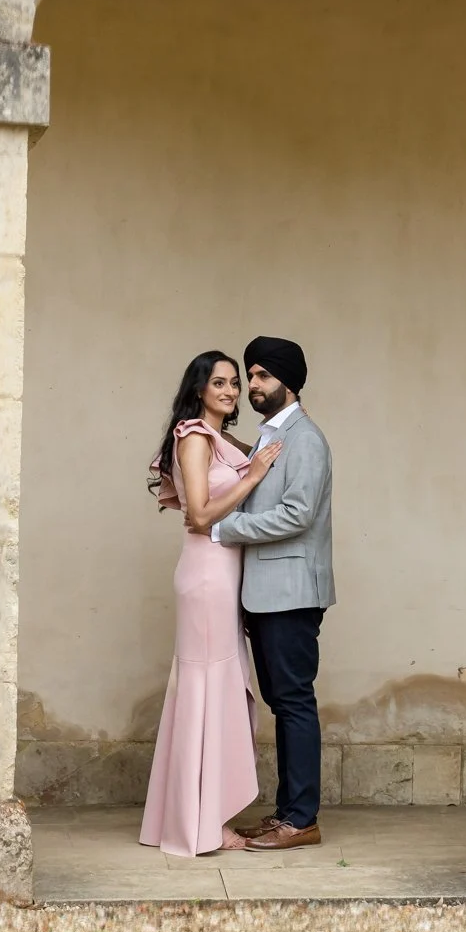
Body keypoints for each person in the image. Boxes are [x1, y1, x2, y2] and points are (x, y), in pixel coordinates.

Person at [138, 352, 279, 857]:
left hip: (222, 575)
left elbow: (256, 451)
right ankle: (205, 825)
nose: (230, 390)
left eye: (235, 383)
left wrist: (257, 459)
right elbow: (199, 515)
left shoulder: (219, 438)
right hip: (207, 576)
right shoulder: (193, 436)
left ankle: (190, 816)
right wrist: (253, 477)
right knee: (206, 693)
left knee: (212, 692)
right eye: (219, 382)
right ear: (199, 387)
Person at [212, 336, 334, 851]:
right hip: (267, 594)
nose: (252, 386)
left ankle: (301, 820)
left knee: (294, 702)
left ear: (289, 380)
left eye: (261, 376)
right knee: (284, 702)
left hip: (290, 594)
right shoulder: (269, 437)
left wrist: (224, 526)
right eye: (249, 376)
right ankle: (288, 812)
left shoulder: (304, 438)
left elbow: (297, 514)